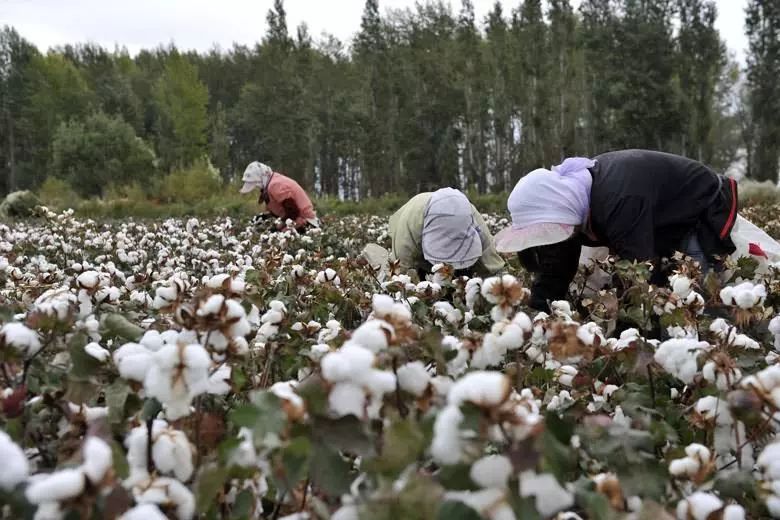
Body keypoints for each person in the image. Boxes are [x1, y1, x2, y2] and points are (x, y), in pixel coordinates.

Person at [494, 150, 739, 312]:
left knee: (696, 305)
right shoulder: (572, 201)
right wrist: (538, 310)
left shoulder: (618, 200)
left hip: (699, 209)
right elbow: (558, 263)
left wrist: (624, 333)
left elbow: (638, 274)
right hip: (655, 215)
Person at [388, 187, 505, 278]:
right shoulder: (409, 224)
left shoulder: (470, 213)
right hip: (417, 242)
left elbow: (491, 262)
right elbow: (401, 270)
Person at [239, 161, 319, 231]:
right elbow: (282, 209)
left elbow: (293, 211)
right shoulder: (273, 181)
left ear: (261, 178)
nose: (257, 187)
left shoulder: (275, 185)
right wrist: (265, 216)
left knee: (278, 236)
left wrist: (279, 227)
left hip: (306, 222)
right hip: (299, 219)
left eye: (257, 184)